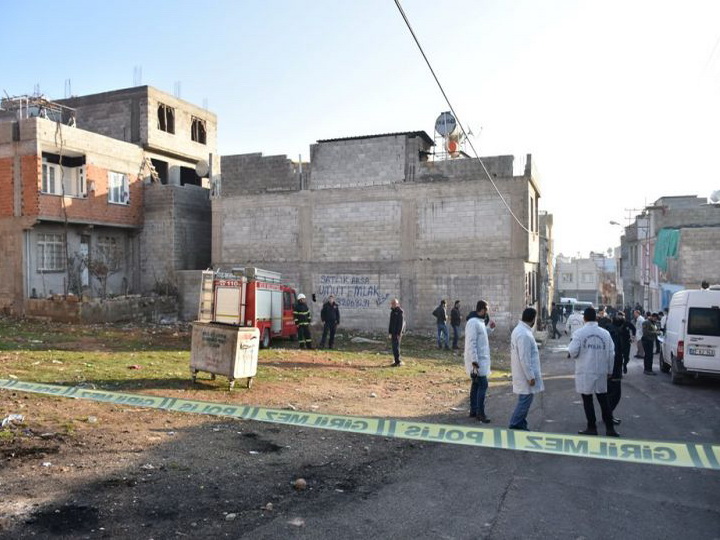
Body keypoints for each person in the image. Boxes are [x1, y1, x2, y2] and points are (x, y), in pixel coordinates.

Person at [568, 307, 619, 437]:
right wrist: (609, 370)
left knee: (587, 399)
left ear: (584, 318)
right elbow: (611, 353)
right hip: (601, 370)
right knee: (603, 400)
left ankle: (592, 427)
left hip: (585, 370)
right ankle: (610, 428)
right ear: (596, 318)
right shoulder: (605, 334)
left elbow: (573, 351)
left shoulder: (579, 333)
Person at [509, 307, 544, 431]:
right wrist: (530, 377)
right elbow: (525, 358)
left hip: (521, 372)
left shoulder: (520, 330)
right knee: (525, 401)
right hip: (525, 375)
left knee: (524, 399)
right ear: (533, 319)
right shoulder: (524, 334)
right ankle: (515, 423)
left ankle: (521, 423)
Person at [464, 300, 494, 423]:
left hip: (480, 360)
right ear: (481, 310)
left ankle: (474, 410)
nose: (487, 313)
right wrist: (474, 361)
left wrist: (490, 329)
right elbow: (471, 343)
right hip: (477, 361)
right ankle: (480, 413)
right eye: (486, 310)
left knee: (476, 385)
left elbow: (482, 335)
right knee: (483, 385)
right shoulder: (473, 322)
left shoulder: (479, 322)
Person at [607, 316, 624, 425]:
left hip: (613, 368)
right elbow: (614, 354)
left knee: (612, 394)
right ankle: (608, 416)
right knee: (614, 395)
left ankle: (609, 415)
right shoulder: (614, 334)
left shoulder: (611, 332)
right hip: (614, 369)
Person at [388, 298, 405, 367]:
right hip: (393, 333)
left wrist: (399, 333)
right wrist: (390, 332)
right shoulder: (392, 312)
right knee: (394, 347)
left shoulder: (400, 312)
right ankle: (396, 360)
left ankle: (398, 361)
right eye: (392, 303)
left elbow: (401, 324)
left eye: (394, 303)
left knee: (396, 347)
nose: (393, 305)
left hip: (397, 333)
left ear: (397, 304)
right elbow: (391, 323)